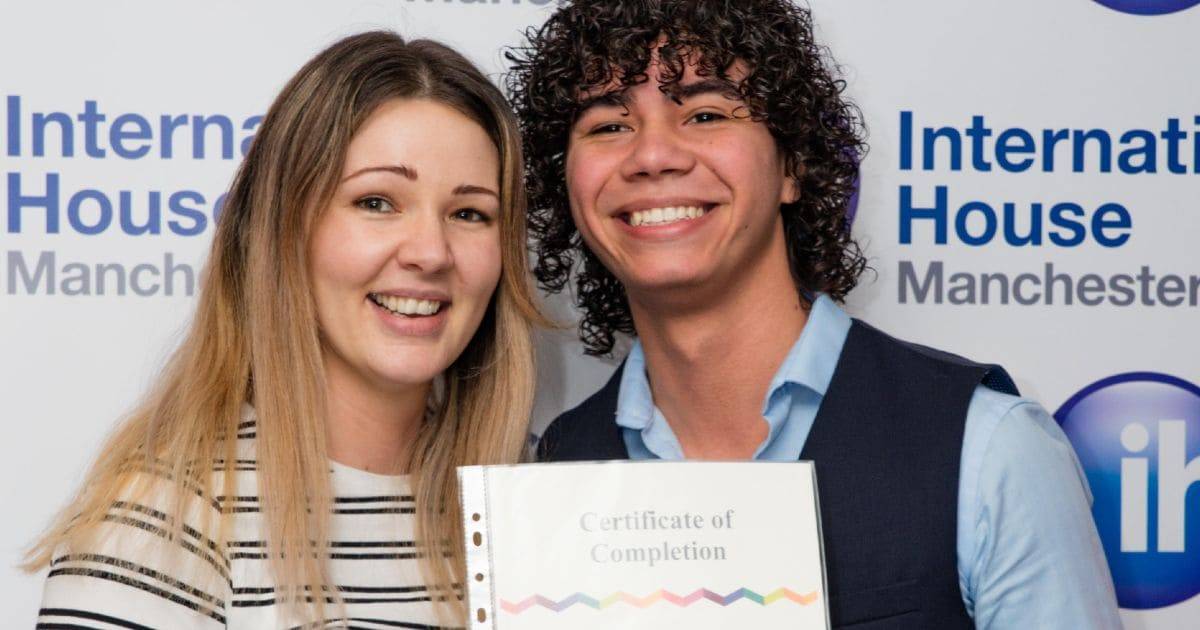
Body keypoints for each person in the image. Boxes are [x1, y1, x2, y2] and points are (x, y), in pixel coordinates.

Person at [506, 1, 1121, 628]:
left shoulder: (988, 448)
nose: (653, 155)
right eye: (610, 126)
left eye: (706, 113)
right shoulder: (553, 474)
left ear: (791, 168)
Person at [25, 31, 543, 628]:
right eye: (376, 202)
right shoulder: (162, 525)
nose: (431, 252)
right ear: (282, 231)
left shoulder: (527, 513)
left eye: (469, 213)